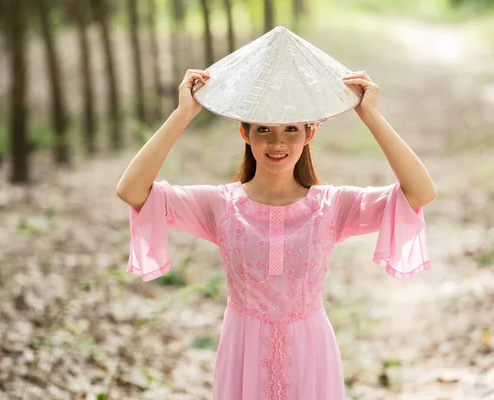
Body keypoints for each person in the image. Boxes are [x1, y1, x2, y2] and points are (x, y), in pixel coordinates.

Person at [117, 26, 435, 400]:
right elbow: (132, 190)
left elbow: (420, 192)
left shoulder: (331, 207)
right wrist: (183, 114)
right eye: (264, 129)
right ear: (245, 134)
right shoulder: (221, 205)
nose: (277, 142)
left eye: (291, 130)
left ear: (310, 134)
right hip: (242, 354)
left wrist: (371, 117)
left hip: (311, 354)